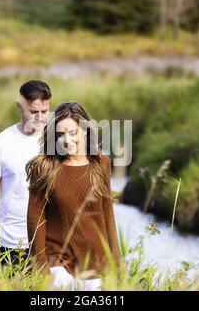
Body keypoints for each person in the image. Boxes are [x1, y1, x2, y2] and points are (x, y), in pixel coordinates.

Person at [26, 102, 121, 290]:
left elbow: (107, 214)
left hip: (95, 263)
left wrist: (116, 264)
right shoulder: (45, 167)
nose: (67, 140)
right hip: (57, 261)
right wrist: (40, 265)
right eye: (60, 134)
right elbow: (35, 219)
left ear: (84, 131)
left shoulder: (101, 163)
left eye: (72, 133)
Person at [0, 80, 51, 272]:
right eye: (34, 112)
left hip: (52, 245)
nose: (40, 117)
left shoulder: (58, 140)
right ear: (20, 106)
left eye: (45, 111)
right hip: (12, 248)